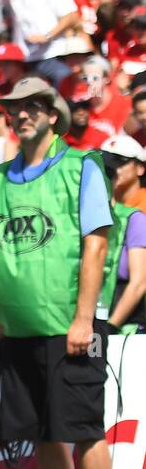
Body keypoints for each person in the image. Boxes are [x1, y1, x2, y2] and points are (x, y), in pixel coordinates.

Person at [0, 78, 121, 469]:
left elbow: (96, 243)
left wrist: (83, 319)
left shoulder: (81, 166)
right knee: (46, 432)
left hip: (70, 322)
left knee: (84, 427)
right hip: (20, 327)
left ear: (54, 115)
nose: (21, 114)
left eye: (33, 107)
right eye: (14, 108)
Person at [100, 135, 146, 333]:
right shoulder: (101, 211)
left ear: (140, 168)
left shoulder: (137, 217)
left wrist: (109, 327)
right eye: (107, 164)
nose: (114, 170)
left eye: (120, 162)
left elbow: (140, 281)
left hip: (131, 324)